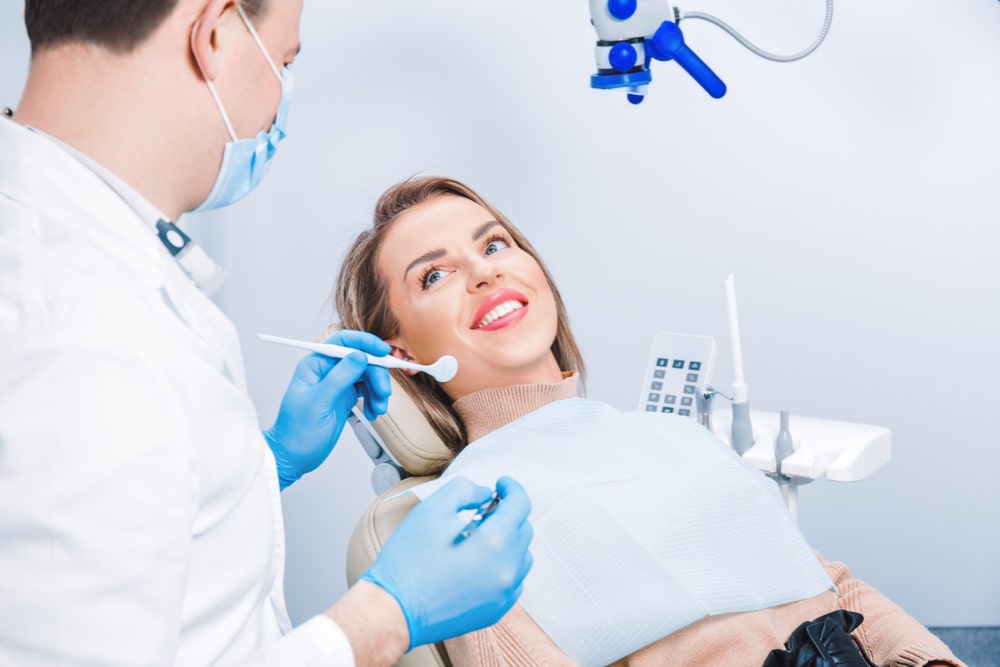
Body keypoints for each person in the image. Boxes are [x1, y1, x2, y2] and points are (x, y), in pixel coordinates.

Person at [0, 2, 534, 665]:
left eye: (497, 245)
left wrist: (264, 462)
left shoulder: (87, 257)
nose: (279, 104)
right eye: (284, 61)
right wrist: (385, 617)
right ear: (217, 34)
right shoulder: (72, 330)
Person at [333, 175, 965, 667]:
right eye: (436, 274)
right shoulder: (467, 519)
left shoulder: (671, 436)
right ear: (401, 353)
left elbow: (829, 587)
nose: (484, 271)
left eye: (495, 244)